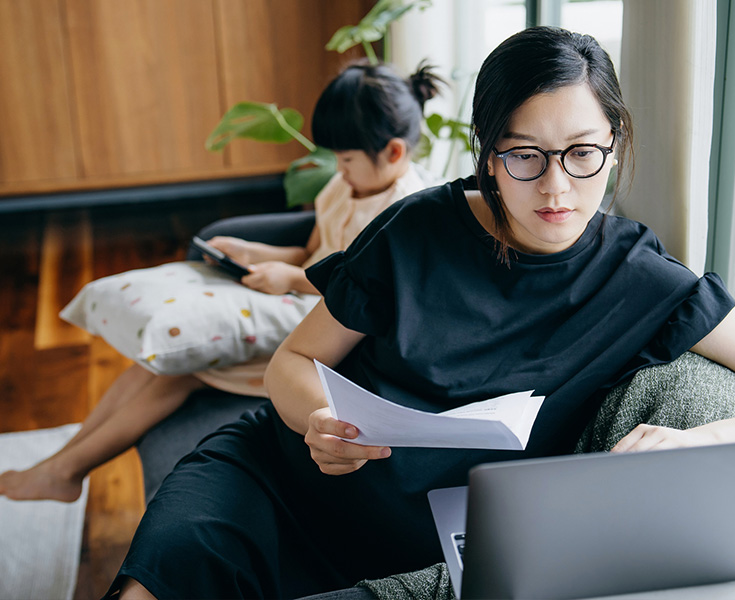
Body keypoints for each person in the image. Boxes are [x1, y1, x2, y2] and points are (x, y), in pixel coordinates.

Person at [108, 27, 735, 600]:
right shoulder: (417, 231)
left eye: (581, 153)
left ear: (614, 143)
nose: (556, 187)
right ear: (488, 153)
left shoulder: (638, 278)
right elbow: (293, 362)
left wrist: (706, 443)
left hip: (429, 544)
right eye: (523, 155)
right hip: (286, 481)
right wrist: (318, 423)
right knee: (160, 575)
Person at [0, 62, 442, 504]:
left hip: (328, 336)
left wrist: (290, 278)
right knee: (153, 365)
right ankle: (61, 464)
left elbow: (365, 294)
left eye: (346, 159)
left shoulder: (401, 215)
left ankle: (65, 470)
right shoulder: (343, 186)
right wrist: (254, 253)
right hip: (292, 301)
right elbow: (314, 252)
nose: (338, 168)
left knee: (175, 373)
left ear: (394, 154)